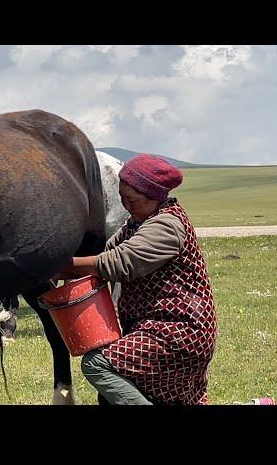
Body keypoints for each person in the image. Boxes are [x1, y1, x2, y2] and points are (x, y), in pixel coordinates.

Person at [56, 154, 217, 405]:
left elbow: (120, 262)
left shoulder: (166, 226)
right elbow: (105, 254)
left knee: (98, 364)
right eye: (122, 198)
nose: (126, 205)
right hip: (157, 327)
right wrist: (56, 269)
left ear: (154, 198)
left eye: (132, 200)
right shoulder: (137, 223)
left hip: (178, 331)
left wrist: (68, 265)